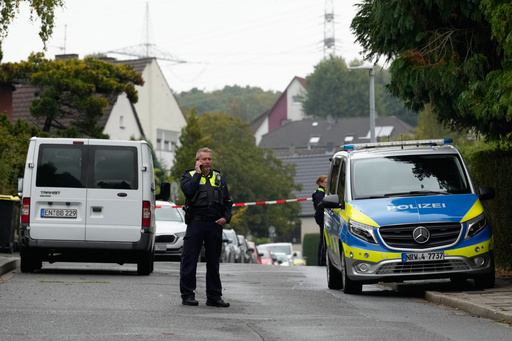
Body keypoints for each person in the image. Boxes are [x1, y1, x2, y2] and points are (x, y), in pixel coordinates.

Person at [179, 147, 233, 307]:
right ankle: (187, 295)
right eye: (204, 159)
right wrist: (197, 173)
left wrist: (226, 218)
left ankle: (214, 297)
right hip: (196, 223)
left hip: (214, 224)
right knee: (190, 260)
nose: (207, 162)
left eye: (209, 159)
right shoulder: (189, 176)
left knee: (213, 262)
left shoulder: (218, 178)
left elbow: (228, 202)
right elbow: (188, 191)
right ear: (198, 161)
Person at [312, 175, 327, 266]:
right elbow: (320, 206)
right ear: (320, 183)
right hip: (321, 218)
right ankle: (322, 261)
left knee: (323, 239)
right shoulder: (319, 194)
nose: (327, 184)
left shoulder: (323, 192)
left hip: (322, 218)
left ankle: (322, 260)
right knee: (323, 239)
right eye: (326, 182)